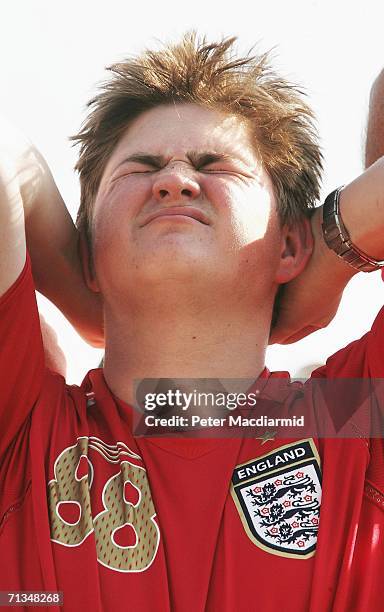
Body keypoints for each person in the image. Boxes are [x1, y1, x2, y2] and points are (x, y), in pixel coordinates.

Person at [0, 34, 383, 611]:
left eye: (214, 165)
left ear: (288, 244)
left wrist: (334, 245)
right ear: (89, 254)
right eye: (143, 166)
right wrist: (82, 301)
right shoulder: (23, 423)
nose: (174, 180)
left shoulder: (356, 416)